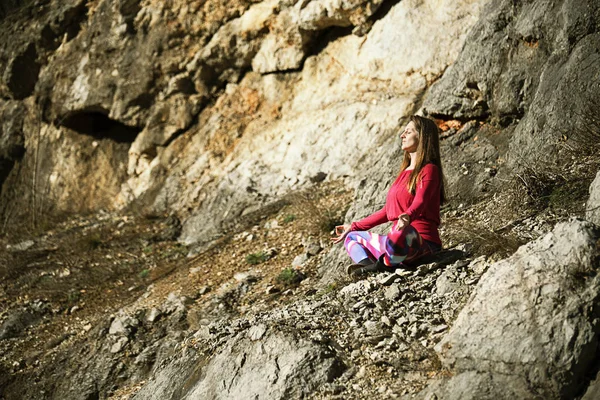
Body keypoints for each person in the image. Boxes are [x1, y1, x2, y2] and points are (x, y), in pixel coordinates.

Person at [331, 115, 446, 276]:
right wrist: (354, 226)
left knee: (399, 233)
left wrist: (408, 216)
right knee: (352, 237)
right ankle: (372, 268)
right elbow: (387, 211)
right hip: (397, 248)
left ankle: (383, 265)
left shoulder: (429, 169)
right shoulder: (403, 173)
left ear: (422, 137)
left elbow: (420, 200)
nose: (402, 135)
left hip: (421, 243)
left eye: (408, 131)